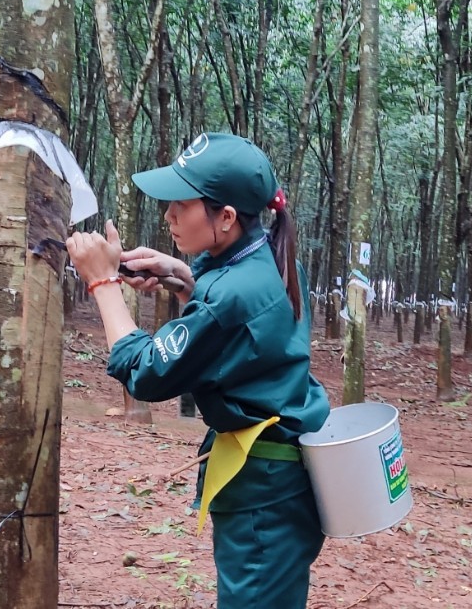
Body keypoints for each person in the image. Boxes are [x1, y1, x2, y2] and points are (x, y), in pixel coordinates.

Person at [67, 132, 329, 609]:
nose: (168, 214)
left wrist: (103, 283)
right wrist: (188, 281)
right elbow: (243, 343)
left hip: (262, 494)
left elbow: (145, 373)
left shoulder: (228, 297)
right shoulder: (275, 256)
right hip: (281, 482)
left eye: (181, 204)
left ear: (226, 217)